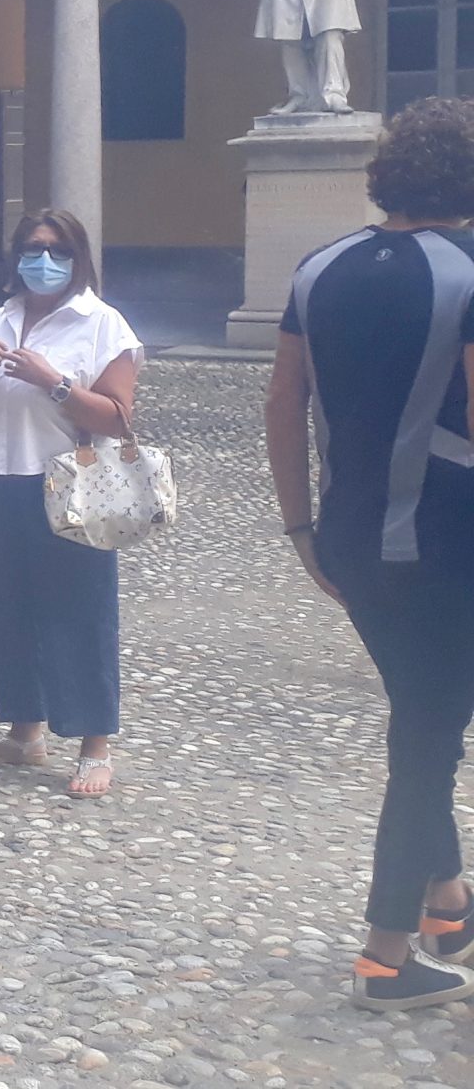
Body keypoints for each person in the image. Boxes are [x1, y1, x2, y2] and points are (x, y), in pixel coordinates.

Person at [261, 97, 474, 1011]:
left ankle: (447, 907)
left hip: (349, 537)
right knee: (428, 739)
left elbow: (283, 403)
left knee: (423, 713)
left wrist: (299, 528)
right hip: (447, 538)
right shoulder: (467, 272)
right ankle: (386, 957)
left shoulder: (321, 267)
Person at [0, 207, 141, 800]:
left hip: (71, 484)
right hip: (4, 476)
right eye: (32, 248)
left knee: (81, 610)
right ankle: (24, 734)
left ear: (78, 259)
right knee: (12, 607)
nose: (43, 260)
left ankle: (95, 745)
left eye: (56, 250)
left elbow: (118, 416)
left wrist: (53, 381)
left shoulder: (102, 324)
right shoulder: (1, 318)